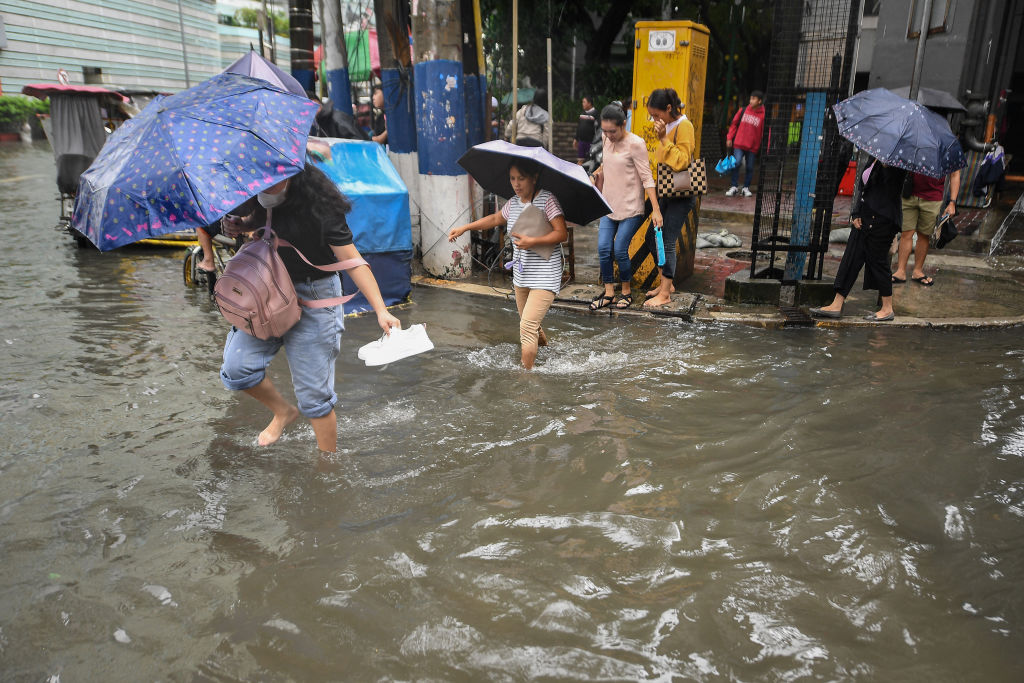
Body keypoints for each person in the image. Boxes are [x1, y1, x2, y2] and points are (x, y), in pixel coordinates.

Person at [218, 165, 401, 452]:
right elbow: (264, 220)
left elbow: (353, 260)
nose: (268, 186)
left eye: (274, 180)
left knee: (314, 399)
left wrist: (381, 309)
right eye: (261, 181)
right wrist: (243, 226)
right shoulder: (252, 195)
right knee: (237, 368)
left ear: (291, 172)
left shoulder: (320, 205)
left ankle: (327, 467)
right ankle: (282, 411)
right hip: (266, 292)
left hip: (315, 296)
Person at [447, 158, 567, 369]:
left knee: (527, 327)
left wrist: (534, 241)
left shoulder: (547, 200)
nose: (516, 184)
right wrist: (465, 228)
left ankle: (525, 377)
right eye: (512, 179)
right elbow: (494, 219)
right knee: (530, 325)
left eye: (521, 178)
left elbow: (561, 233)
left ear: (534, 177)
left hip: (546, 272)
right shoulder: (513, 203)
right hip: (522, 272)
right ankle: (549, 354)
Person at [810, 157, 907, 321]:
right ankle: (837, 303)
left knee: (878, 262)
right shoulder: (873, 157)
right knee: (851, 258)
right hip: (864, 217)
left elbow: (891, 192)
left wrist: (888, 167)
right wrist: (855, 213)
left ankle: (887, 308)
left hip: (883, 220)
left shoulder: (898, 162)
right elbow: (863, 187)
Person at [589, 104, 663, 310]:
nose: (608, 135)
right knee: (604, 248)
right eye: (605, 131)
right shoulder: (605, 139)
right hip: (609, 204)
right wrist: (595, 175)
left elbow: (647, 178)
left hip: (631, 207)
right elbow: (606, 166)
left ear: (623, 125)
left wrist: (655, 209)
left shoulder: (636, 144)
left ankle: (626, 292)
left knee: (620, 248)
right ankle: (610, 292)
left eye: (612, 131)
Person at [643, 88, 695, 308]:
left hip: (681, 194)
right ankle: (667, 283)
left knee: (666, 241)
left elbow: (682, 161)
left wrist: (664, 138)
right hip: (666, 190)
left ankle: (665, 293)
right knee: (650, 238)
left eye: (657, 115)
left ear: (668, 108)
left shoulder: (685, 126)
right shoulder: (666, 126)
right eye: (652, 116)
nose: (655, 120)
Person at [892, 169, 960, 286]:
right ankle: (900, 271)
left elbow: (955, 174)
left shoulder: (948, 150)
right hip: (909, 192)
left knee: (924, 235)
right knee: (906, 234)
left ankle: (917, 271)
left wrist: (952, 202)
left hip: (933, 197)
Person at [724, 90, 766, 197]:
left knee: (750, 167)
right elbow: (734, 124)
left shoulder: (763, 115)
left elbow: (764, 132)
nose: (750, 101)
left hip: (752, 147)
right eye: (750, 98)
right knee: (737, 163)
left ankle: (746, 188)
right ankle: (734, 186)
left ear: (759, 101)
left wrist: (766, 146)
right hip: (739, 144)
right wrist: (729, 138)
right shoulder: (743, 110)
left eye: (753, 99)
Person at [574, 96, 597, 164]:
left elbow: (598, 129)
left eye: (584, 102)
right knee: (580, 160)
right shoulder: (582, 114)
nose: (582, 104)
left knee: (590, 161)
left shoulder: (596, 114)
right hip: (581, 141)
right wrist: (576, 139)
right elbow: (579, 127)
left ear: (589, 103)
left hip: (591, 142)